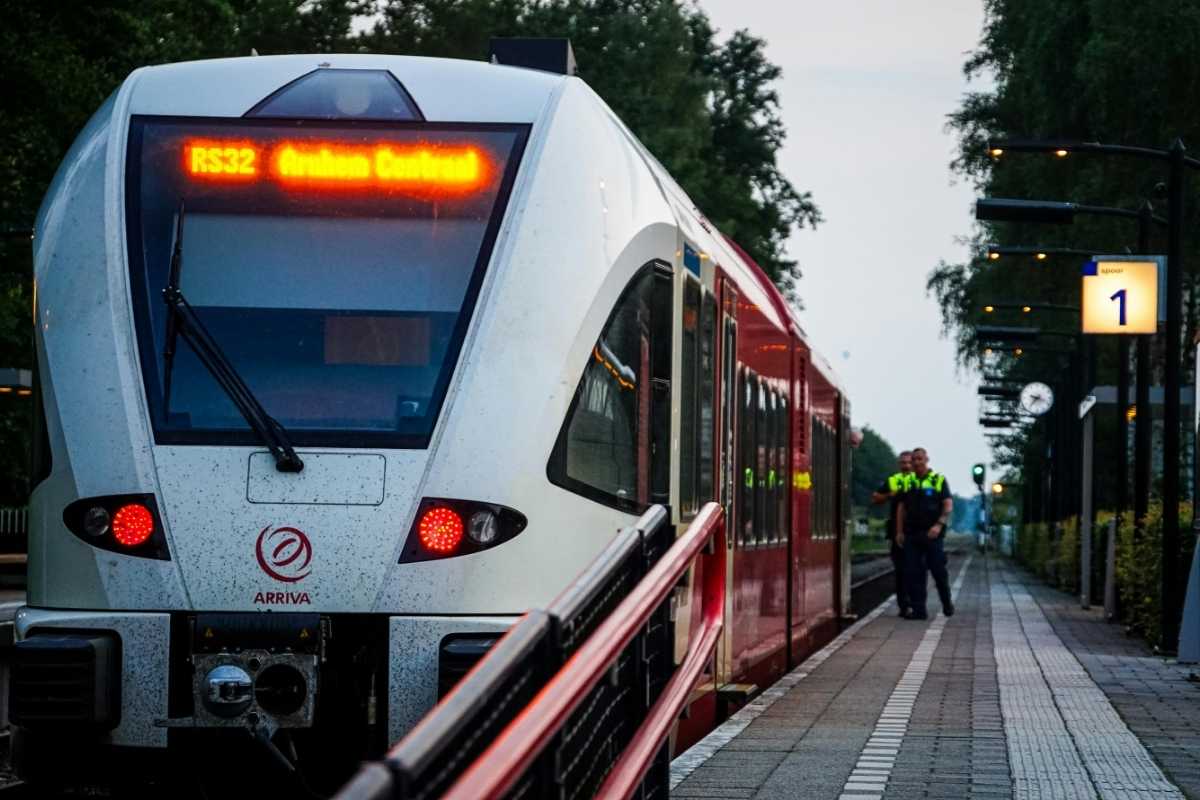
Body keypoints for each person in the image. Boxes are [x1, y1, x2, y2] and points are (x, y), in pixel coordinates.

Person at [896, 447, 954, 619]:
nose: (916, 462)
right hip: (912, 534)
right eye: (914, 459)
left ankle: (946, 602)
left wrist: (939, 524)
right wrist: (899, 531)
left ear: (927, 459)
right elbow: (901, 508)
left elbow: (947, 504)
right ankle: (919, 610)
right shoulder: (907, 482)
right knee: (913, 572)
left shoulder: (938, 480)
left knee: (938, 570)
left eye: (920, 459)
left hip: (932, 535)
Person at [871, 451, 914, 616]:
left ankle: (914, 602)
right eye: (903, 463)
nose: (906, 466)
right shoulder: (893, 481)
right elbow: (875, 498)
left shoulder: (920, 481)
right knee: (901, 570)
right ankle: (904, 605)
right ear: (899, 464)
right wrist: (889, 495)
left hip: (916, 530)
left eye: (909, 462)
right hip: (896, 531)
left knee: (916, 569)